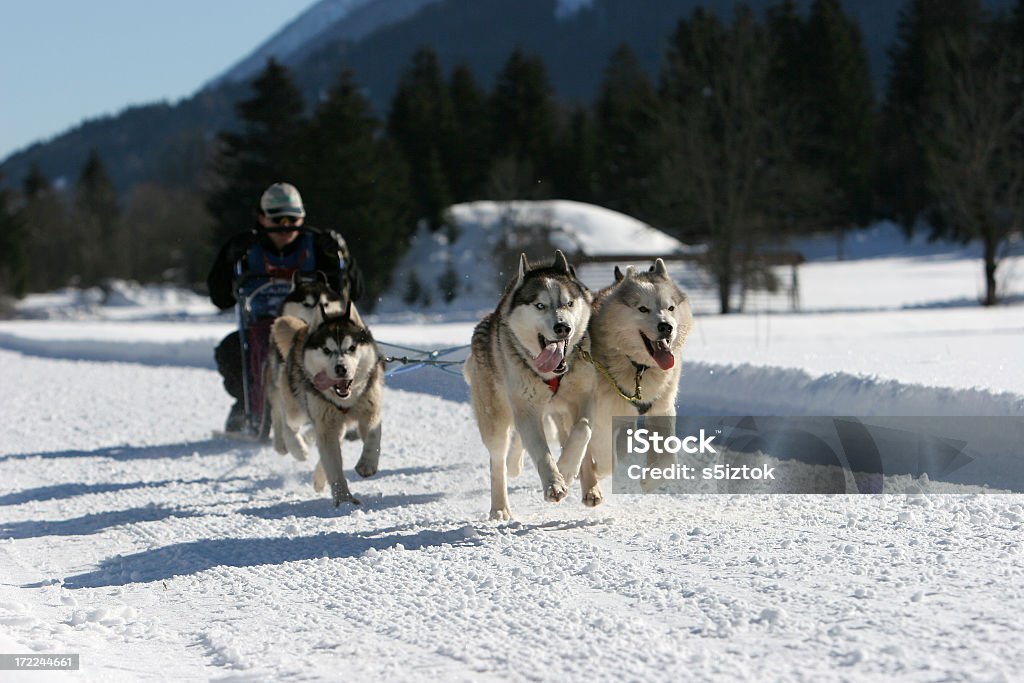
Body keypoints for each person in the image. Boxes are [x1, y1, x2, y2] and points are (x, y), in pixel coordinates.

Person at [207, 182, 364, 432]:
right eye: (277, 219)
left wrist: (342, 257)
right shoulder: (247, 248)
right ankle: (248, 407)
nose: (285, 228)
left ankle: (344, 408)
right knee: (230, 351)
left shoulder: (318, 246)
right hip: (260, 327)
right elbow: (220, 298)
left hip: (312, 329)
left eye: (293, 219)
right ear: (262, 217)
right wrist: (228, 260)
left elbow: (351, 293)